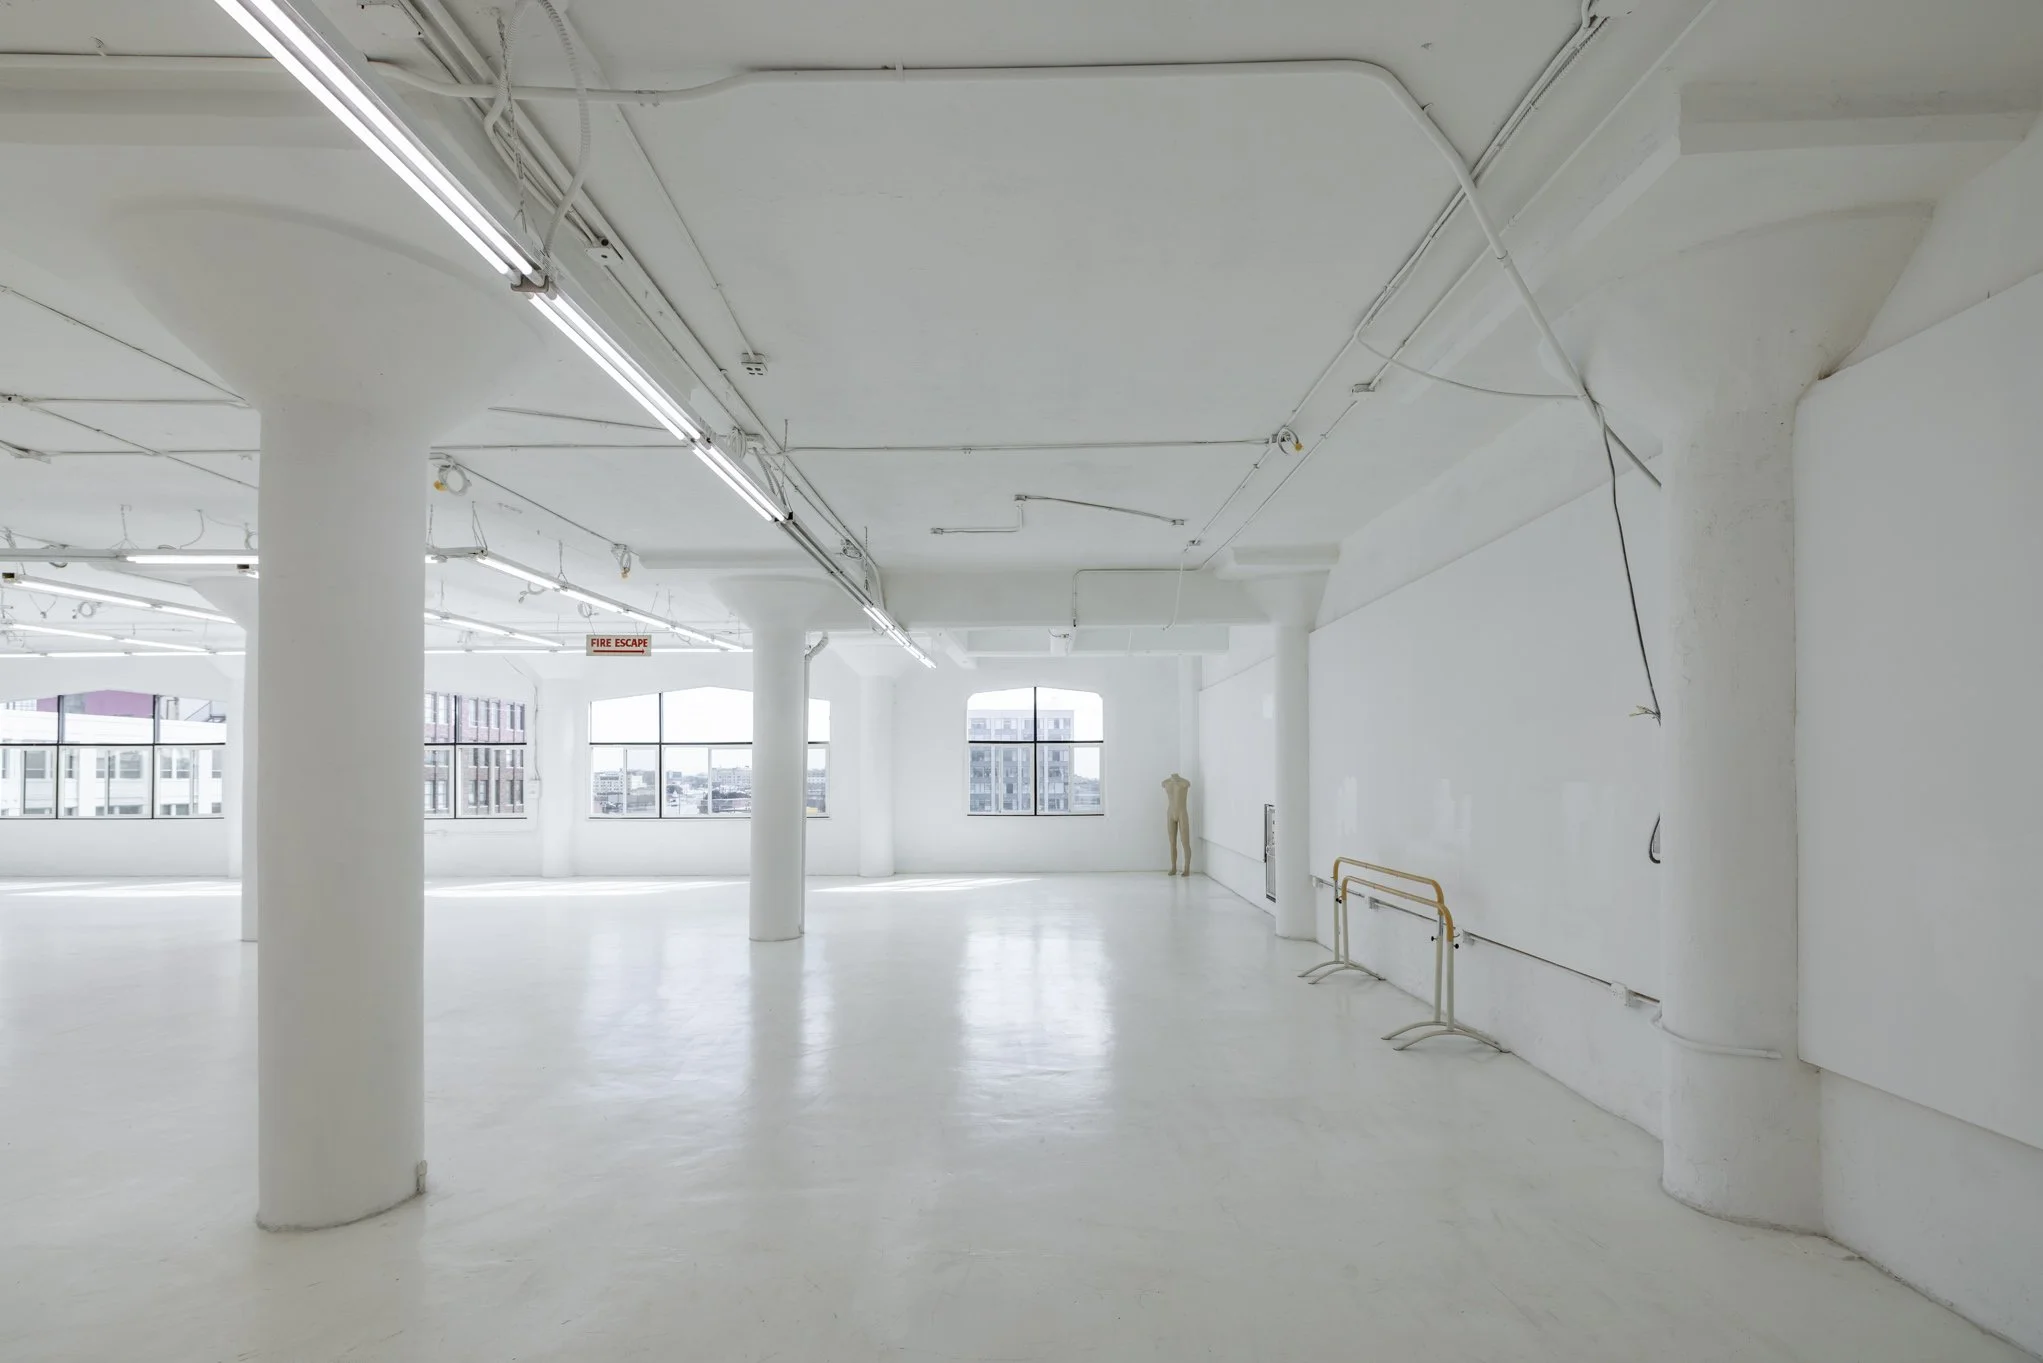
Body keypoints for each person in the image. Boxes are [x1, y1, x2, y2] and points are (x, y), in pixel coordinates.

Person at [1161, 772, 1192, 876]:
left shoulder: (1185, 783)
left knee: (1185, 842)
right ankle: (1173, 867)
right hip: (1170, 813)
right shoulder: (1166, 783)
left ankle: (1187, 868)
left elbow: (1187, 784)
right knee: (1172, 843)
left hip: (1182, 813)